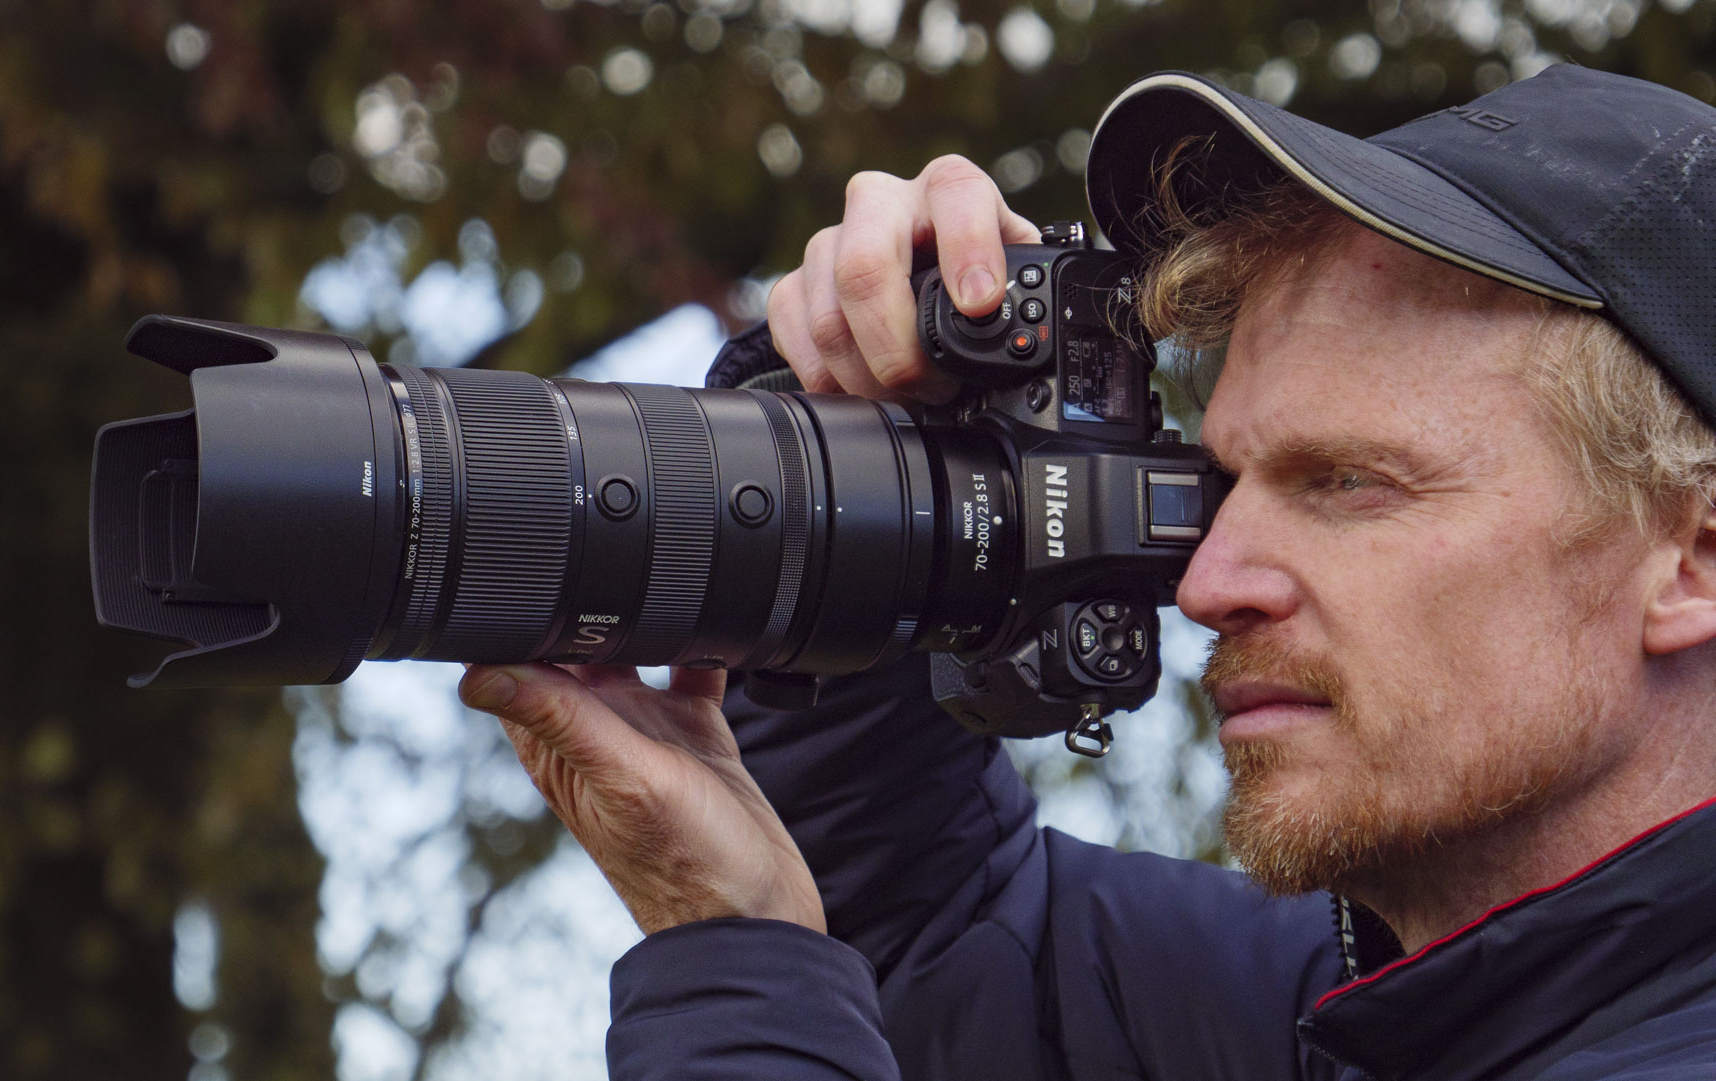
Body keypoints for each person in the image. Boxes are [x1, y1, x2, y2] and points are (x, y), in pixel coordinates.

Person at [460, 64, 1716, 1080]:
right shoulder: (1363, 1016)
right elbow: (931, 943)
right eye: (1227, 481)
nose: (1211, 579)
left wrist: (734, 972)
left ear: (1692, 561)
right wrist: (847, 429)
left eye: (1349, 484)